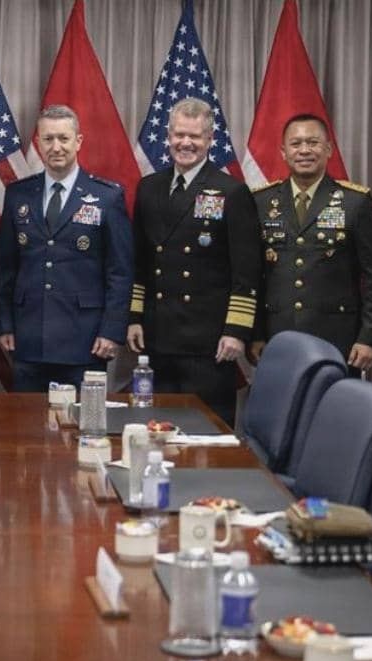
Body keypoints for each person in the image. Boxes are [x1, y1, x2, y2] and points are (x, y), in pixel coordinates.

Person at [127, 98, 262, 425]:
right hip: (157, 337)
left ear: (210, 140)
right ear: (168, 136)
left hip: (209, 342)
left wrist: (236, 331)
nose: (185, 143)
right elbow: (141, 261)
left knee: (206, 434)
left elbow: (247, 271)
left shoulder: (230, 192)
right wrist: (134, 317)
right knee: (157, 429)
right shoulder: (149, 188)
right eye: (179, 134)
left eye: (195, 136)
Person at [0, 104, 132, 390]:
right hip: (28, 336)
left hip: (85, 340)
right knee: (26, 418)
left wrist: (111, 330)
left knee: (83, 418)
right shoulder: (18, 194)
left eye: (63, 138)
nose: (56, 147)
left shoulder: (106, 196)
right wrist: (4, 323)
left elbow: (120, 272)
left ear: (78, 141)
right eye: (48, 139)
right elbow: (6, 267)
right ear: (38, 143)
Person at [251, 113, 372, 376]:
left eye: (313, 143)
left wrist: (369, 337)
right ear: (283, 152)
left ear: (328, 149)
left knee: (334, 402)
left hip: (337, 339)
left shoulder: (355, 203)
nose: (304, 150)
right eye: (296, 144)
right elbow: (253, 275)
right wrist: (255, 334)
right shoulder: (262, 202)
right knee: (280, 402)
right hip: (277, 337)